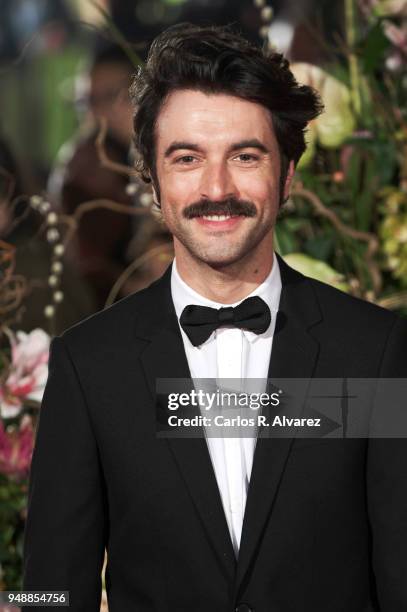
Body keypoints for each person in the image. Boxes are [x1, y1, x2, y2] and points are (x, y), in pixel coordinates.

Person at [22, 23, 407, 612]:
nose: (216, 187)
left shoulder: (374, 352)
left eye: (245, 156)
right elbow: (51, 588)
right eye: (187, 158)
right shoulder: (87, 365)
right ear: (152, 180)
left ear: (287, 176)